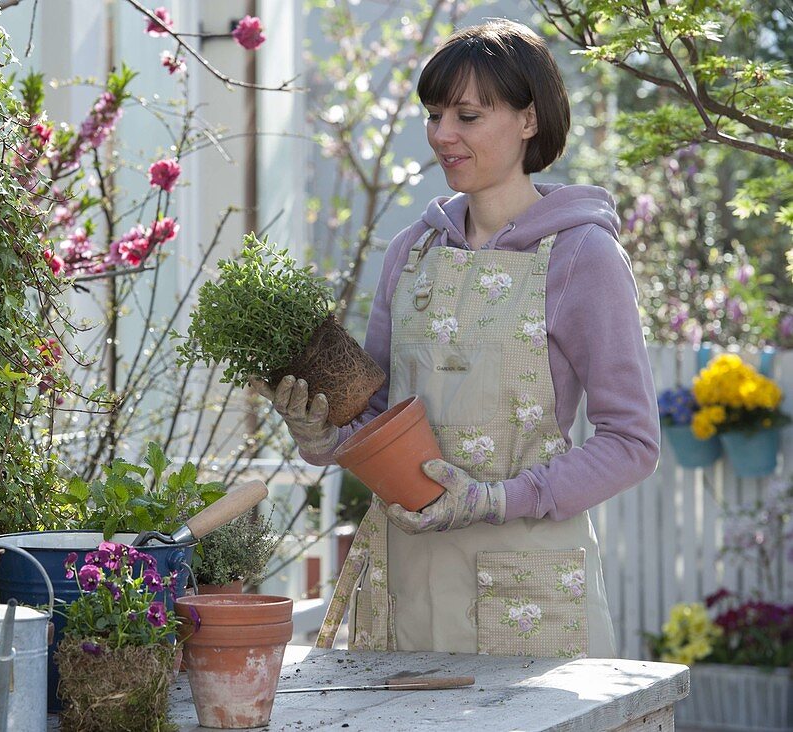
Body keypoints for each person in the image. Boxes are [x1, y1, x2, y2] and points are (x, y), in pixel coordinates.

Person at [251, 19, 659, 657]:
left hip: (526, 588)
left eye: (467, 116)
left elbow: (632, 442)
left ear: (529, 120)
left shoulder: (582, 255)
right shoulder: (412, 251)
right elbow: (384, 416)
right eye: (435, 114)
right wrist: (328, 438)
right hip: (408, 579)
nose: (443, 134)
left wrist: (496, 500)